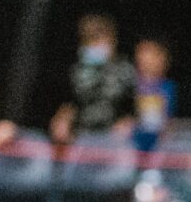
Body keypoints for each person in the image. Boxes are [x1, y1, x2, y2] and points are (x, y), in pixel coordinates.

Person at [49, 14, 137, 143]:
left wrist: (130, 121)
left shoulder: (126, 70)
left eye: (99, 38)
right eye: (89, 39)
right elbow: (68, 103)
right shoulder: (77, 70)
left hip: (115, 138)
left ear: (112, 39)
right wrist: (62, 120)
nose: (94, 44)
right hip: (81, 136)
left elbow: (137, 105)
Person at [130, 38, 177, 154]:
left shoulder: (168, 87)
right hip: (132, 142)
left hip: (158, 144)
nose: (145, 60)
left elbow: (168, 118)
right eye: (141, 55)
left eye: (150, 56)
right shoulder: (130, 85)